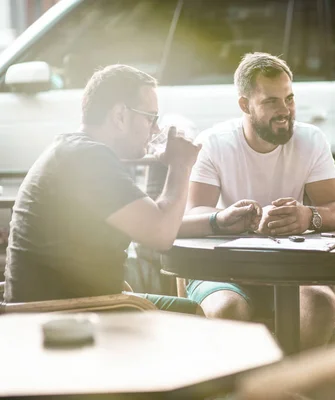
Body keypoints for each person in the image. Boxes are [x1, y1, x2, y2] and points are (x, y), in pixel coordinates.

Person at [3, 64, 203, 315]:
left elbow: (153, 222)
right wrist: (181, 165)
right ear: (120, 115)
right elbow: (161, 233)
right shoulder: (87, 158)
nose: (155, 130)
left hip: (74, 306)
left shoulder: (77, 150)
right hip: (62, 316)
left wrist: (217, 222)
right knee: (195, 316)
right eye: (151, 118)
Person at [179, 52, 335, 349]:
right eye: (271, 101)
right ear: (244, 104)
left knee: (320, 306)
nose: (285, 110)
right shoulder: (214, 142)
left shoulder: (311, 139)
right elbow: (195, 212)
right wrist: (226, 218)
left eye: (289, 99)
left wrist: (309, 216)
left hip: (292, 269)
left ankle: (290, 389)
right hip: (223, 269)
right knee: (226, 309)